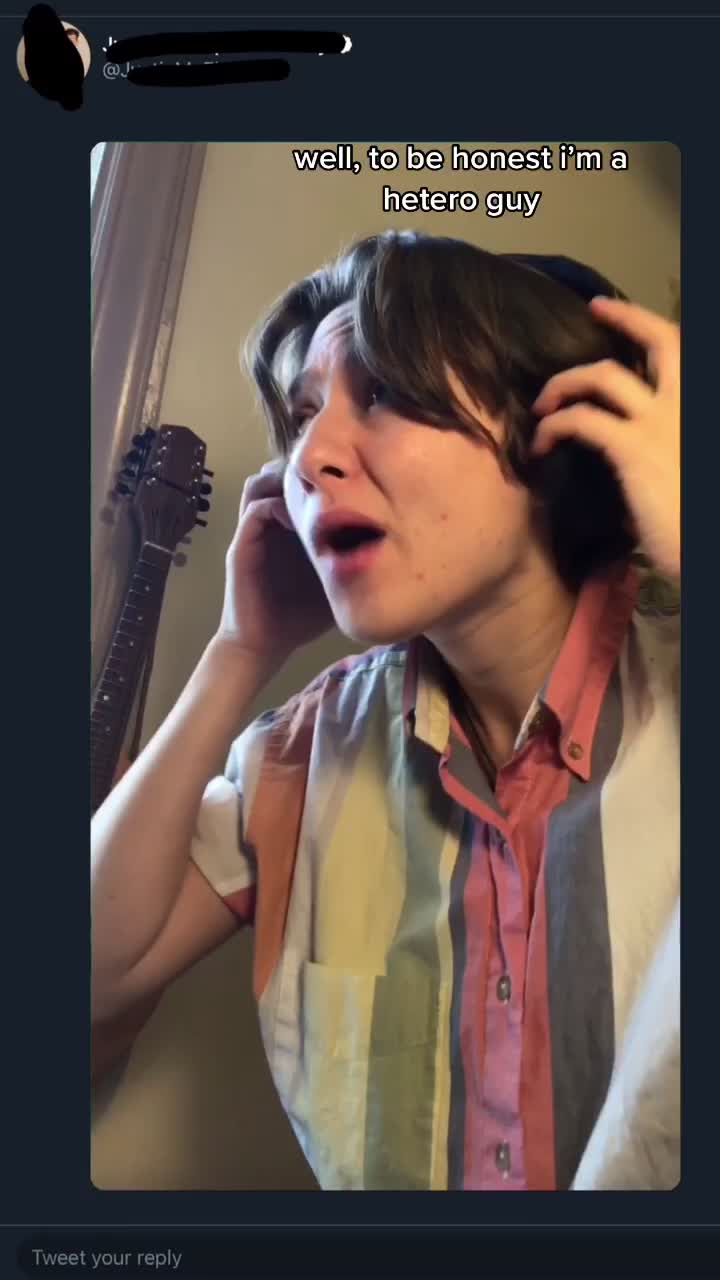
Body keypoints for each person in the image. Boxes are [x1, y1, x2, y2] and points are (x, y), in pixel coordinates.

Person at [91, 231, 680, 1191]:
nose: (311, 458)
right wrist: (239, 650)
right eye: (303, 416)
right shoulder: (301, 753)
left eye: (387, 395)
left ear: (561, 431)